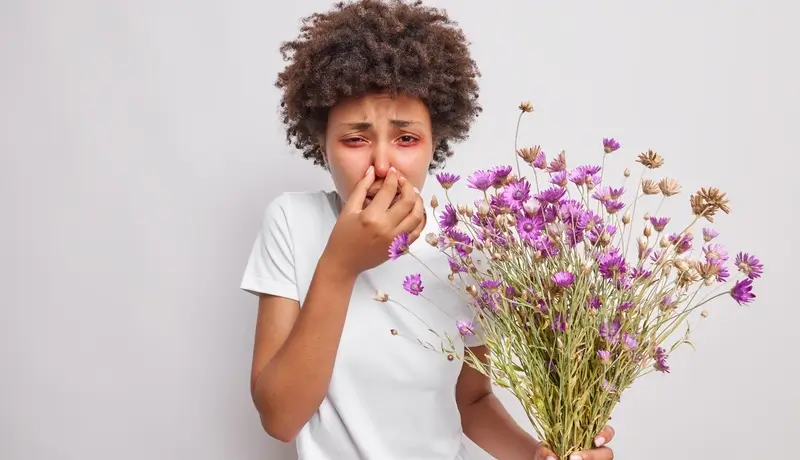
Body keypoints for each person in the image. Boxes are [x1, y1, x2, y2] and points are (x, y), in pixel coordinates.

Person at [240, 1, 616, 459]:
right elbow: (280, 419)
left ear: (436, 141)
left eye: (406, 138)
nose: (381, 164)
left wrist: (537, 456)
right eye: (355, 139)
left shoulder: (468, 243)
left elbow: (472, 400)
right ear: (321, 143)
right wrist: (340, 264)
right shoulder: (292, 223)